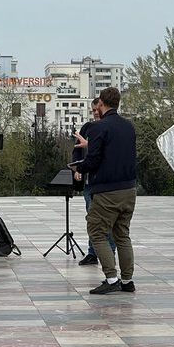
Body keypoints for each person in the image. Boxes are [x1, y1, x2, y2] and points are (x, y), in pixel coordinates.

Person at [70, 87, 137, 294]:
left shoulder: (99, 127)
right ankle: (127, 281)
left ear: (101, 104)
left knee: (97, 232)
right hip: (129, 189)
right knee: (122, 235)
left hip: (107, 191)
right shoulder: (129, 127)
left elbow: (95, 158)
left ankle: (111, 278)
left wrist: (79, 167)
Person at [73, 98, 117, 266]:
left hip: (105, 183)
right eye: (92, 111)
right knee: (92, 219)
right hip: (89, 183)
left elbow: (107, 153)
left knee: (106, 221)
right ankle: (93, 252)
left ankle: (109, 252)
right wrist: (77, 169)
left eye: (97, 109)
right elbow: (77, 150)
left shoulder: (110, 128)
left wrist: (88, 145)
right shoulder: (87, 128)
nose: (95, 113)